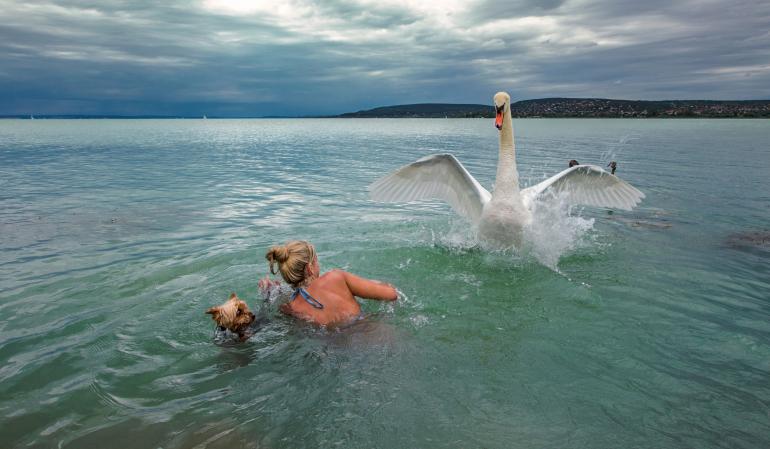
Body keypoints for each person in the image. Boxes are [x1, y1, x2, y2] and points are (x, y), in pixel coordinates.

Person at [262, 240, 398, 327]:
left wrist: (270, 295)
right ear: (310, 268)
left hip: (338, 351)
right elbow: (392, 295)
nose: (318, 264)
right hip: (372, 335)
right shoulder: (335, 277)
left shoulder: (290, 307)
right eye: (316, 261)